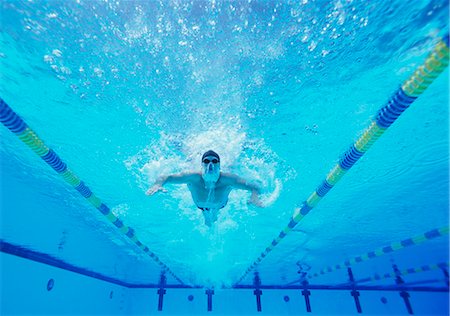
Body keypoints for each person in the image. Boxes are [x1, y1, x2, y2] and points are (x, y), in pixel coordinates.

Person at [146, 150, 264, 227]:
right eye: (206, 161)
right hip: (201, 206)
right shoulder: (193, 177)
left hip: (220, 205)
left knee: (213, 220)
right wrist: (158, 184)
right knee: (209, 222)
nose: (210, 164)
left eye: (214, 161)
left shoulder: (228, 179)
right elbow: (166, 177)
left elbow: (254, 186)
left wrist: (254, 196)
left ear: (219, 165)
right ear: (202, 165)